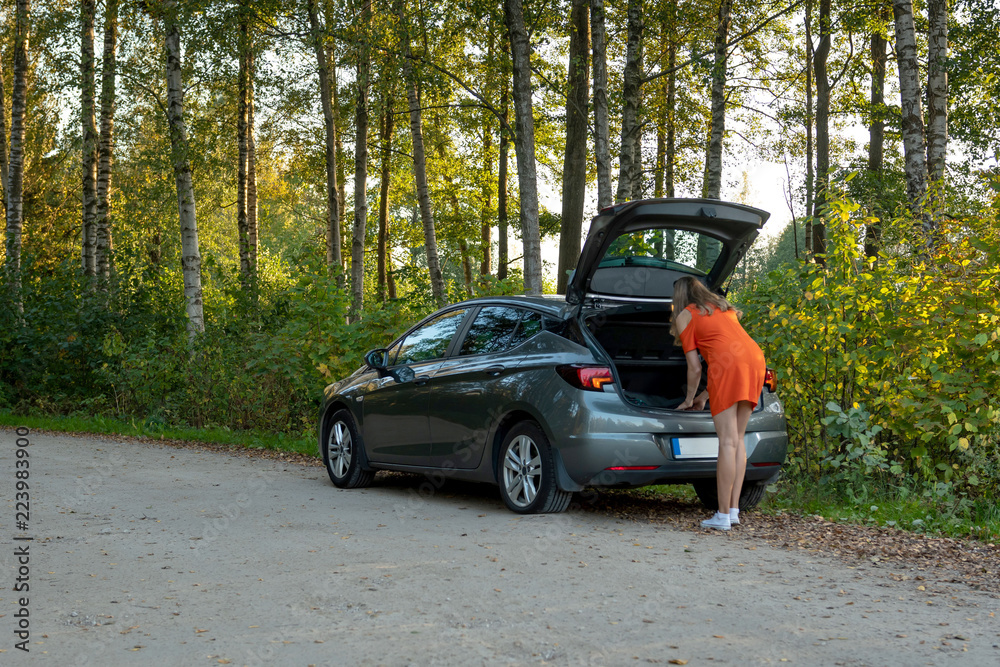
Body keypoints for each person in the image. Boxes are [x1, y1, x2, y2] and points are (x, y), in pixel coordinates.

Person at [671, 276, 765, 531]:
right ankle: (733, 511)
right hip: (755, 360)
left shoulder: (685, 315)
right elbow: (728, 352)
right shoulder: (724, 308)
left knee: (727, 441)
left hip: (730, 366)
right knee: (738, 439)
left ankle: (722, 516)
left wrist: (689, 399)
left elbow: (695, 367)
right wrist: (703, 398)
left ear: (678, 297)